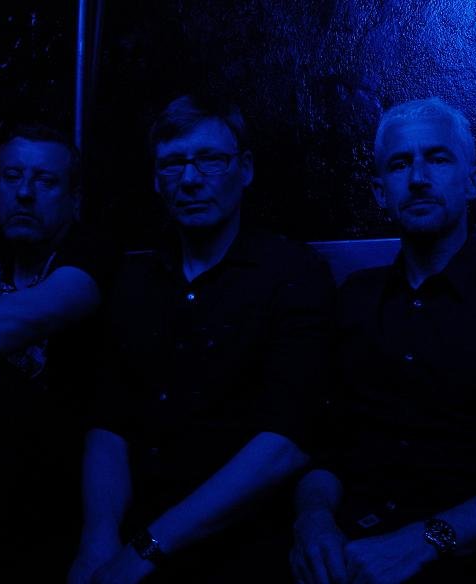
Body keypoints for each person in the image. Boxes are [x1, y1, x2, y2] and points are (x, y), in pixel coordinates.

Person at [69, 94, 335, 583]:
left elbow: (286, 442)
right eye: (173, 164)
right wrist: (98, 538)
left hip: (241, 544)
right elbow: (109, 421)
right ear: (156, 180)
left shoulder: (293, 274)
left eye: (210, 160)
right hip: (132, 530)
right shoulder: (134, 281)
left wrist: (144, 550)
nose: (190, 179)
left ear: (245, 169)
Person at [290, 97, 476, 584]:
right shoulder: (353, 299)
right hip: (348, 551)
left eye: (437, 158)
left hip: (467, 559)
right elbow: (325, 446)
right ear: (380, 192)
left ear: (474, 181)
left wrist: (426, 541)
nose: (417, 178)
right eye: (398, 164)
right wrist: (313, 520)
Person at [0, 123, 117, 578]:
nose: (24, 193)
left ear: (74, 199)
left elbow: (31, 316)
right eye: (12, 177)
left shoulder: (91, 251)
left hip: (51, 484)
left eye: (45, 181)